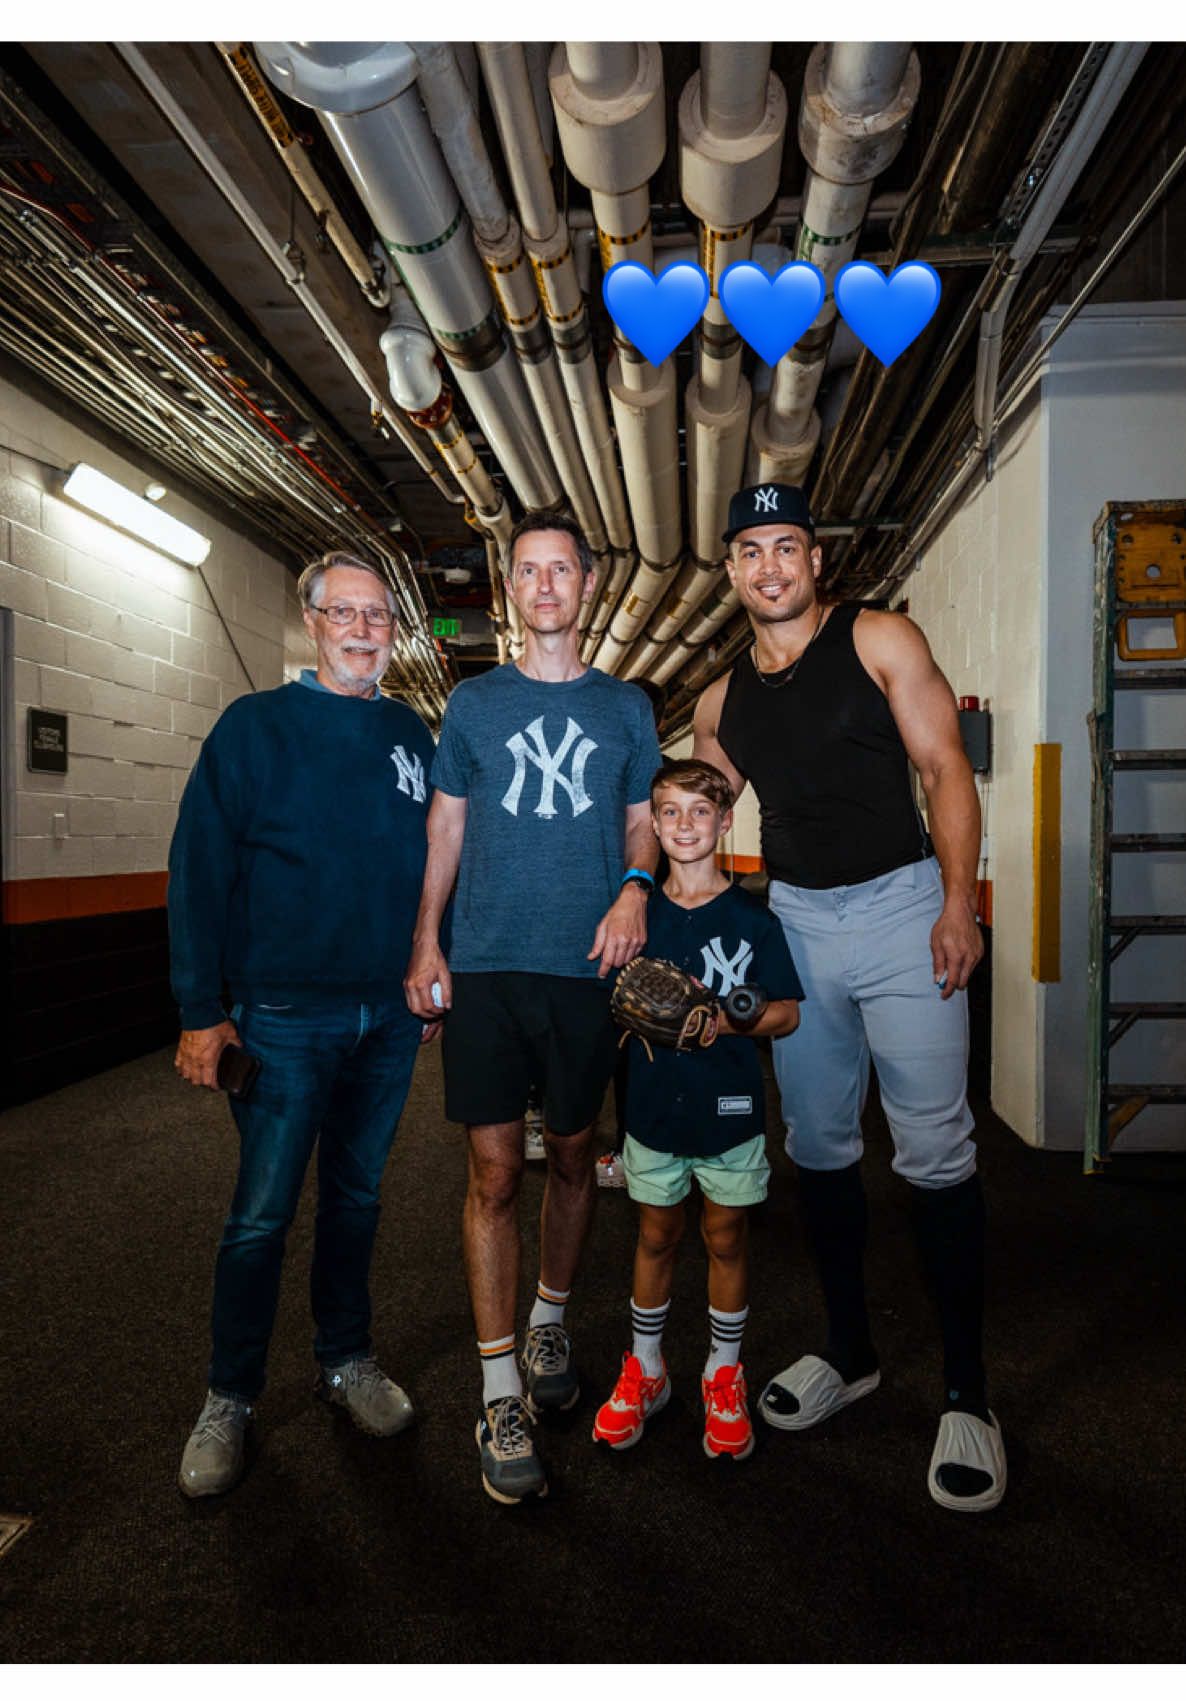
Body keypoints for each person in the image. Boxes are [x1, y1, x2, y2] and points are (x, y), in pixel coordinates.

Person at [694, 482, 1006, 1513]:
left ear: (815, 560)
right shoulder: (718, 703)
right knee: (817, 1146)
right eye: (751, 551)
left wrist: (958, 905)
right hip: (794, 927)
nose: (770, 566)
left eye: (788, 545)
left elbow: (943, 768)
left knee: (933, 1148)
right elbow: (691, 826)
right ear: (731, 569)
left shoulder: (879, 640)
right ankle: (849, 1350)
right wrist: (635, 894)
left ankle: (967, 1391)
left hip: (900, 909)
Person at [404, 510, 662, 1506]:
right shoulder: (470, 705)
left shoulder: (625, 707)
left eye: (562, 569)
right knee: (494, 1172)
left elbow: (639, 818)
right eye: (528, 571)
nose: (545, 584)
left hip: (584, 972)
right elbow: (444, 828)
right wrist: (427, 940)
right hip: (486, 969)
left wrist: (635, 887)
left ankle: (551, 1317)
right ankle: (499, 1386)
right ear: (509, 588)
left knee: (571, 1153)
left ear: (588, 585)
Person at [169, 550, 436, 1498]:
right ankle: (230, 1394)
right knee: (261, 1214)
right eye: (345, 613)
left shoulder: (411, 732)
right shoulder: (254, 728)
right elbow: (197, 871)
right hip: (280, 1017)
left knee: (357, 1200)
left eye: (379, 615)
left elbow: (434, 868)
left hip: (389, 1019)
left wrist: (427, 964)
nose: (364, 629)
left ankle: (345, 1358)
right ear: (313, 622)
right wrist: (203, 1013)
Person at [592, 759, 802, 1461]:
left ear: (725, 821)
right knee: (655, 1236)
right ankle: (647, 1369)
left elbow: (787, 1012)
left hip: (730, 1108)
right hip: (652, 1108)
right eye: (671, 812)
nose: (685, 825)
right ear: (653, 823)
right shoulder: (635, 917)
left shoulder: (753, 919)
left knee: (727, 1237)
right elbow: (605, 998)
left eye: (700, 812)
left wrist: (729, 1021)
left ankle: (722, 1372)